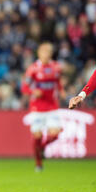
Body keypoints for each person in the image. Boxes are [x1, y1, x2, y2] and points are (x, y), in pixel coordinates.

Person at [21, 42, 66, 172]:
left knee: (55, 134)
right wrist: (33, 92)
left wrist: (62, 91)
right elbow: (24, 87)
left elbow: (58, 81)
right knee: (37, 136)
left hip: (52, 105)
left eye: (48, 52)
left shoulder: (56, 67)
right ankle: (38, 164)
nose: (46, 54)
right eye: (44, 51)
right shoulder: (33, 69)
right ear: (39, 53)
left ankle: (42, 148)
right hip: (37, 107)